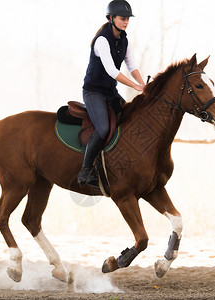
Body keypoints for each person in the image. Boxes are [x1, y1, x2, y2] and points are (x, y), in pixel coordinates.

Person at [78, 0, 145, 187]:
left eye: (127, 19)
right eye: (123, 19)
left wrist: (143, 84)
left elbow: (131, 65)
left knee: (130, 118)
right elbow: (112, 72)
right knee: (104, 129)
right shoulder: (102, 40)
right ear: (111, 18)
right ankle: (84, 172)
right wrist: (135, 86)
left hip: (109, 91)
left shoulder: (124, 39)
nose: (126, 22)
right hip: (94, 93)